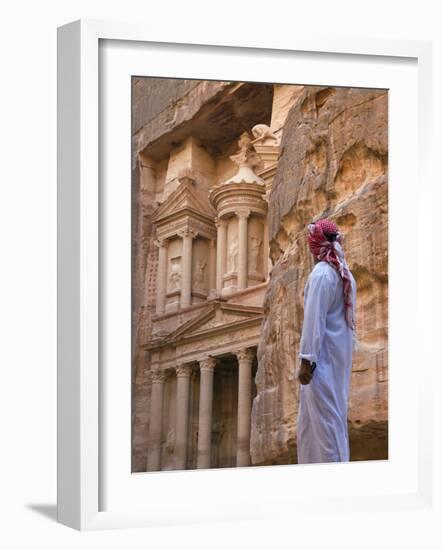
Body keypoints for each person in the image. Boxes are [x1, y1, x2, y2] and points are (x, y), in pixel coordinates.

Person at [296, 218, 357, 464]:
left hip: (320, 364)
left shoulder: (322, 274)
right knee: (317, 425)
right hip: (336, 360)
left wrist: (306, 361)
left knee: (325, 427)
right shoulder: (342, 273)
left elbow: (314, 321)